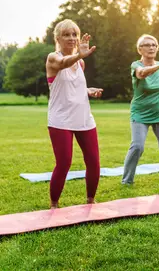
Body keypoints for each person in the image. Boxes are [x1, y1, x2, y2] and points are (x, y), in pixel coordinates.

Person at [45, 19, 103, 208]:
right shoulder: (53, 58)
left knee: (94, 162)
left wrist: (88, 90)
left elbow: (74, 87)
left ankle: (91, 201)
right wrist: (78, 55)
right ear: (58, 38)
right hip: (60, 120)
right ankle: (54, 205)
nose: (71, 38)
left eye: (74, 35)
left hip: (84, 118)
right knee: (64, 164)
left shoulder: (80, 64)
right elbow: (62, 64)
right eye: (67, 34)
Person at [121, 34, 159, 184]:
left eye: (154, 44)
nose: (151, 47)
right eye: (147, 45)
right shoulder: (136, 65)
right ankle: (127, 180)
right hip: (140, 112)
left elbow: (158, 90)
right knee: (138, 146)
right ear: (140, 49)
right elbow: (141, 74)